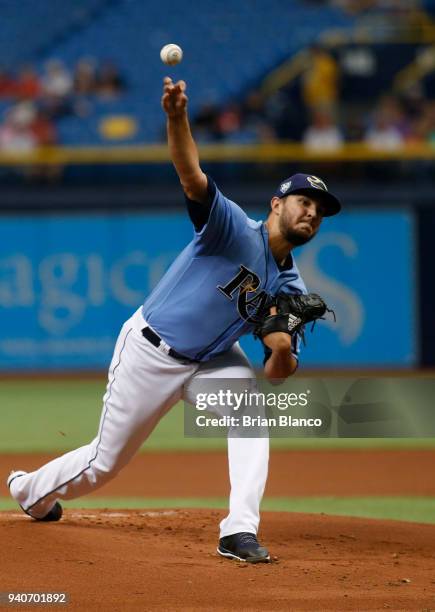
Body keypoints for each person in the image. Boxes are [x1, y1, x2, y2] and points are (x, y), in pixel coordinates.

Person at [6, 77, 341, 564]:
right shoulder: (231, 227)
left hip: (211, 360)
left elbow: (276, 373)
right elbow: (191, 174)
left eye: (319, 211)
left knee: (250, 414)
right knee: (105, 463)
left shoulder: (292, 290)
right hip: (151, 348)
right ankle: (30, 490)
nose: (311, 212)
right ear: (277, 204)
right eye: (303, 202)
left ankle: (238, 530)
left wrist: (284, 348)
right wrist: (176, 116)